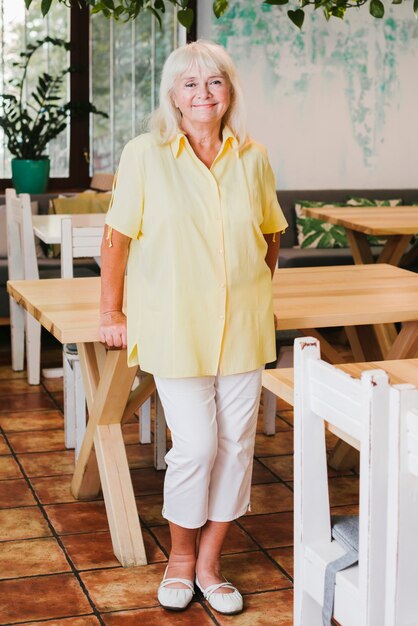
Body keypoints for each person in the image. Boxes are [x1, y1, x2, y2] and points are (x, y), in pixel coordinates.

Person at [99, 39, 288, 616]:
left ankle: (210, 563)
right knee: (198, 446)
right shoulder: (145, 154)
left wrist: (253, 287)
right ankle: (179, 559)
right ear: (173, 96)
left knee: (236, 447)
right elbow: (117, 240)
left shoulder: (252, 156)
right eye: (191, 84)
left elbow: (271, 234)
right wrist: (111, 311)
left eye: (214, 82)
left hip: (245, 329)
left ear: (228, 92)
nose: (203, 93)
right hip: (174, 326)